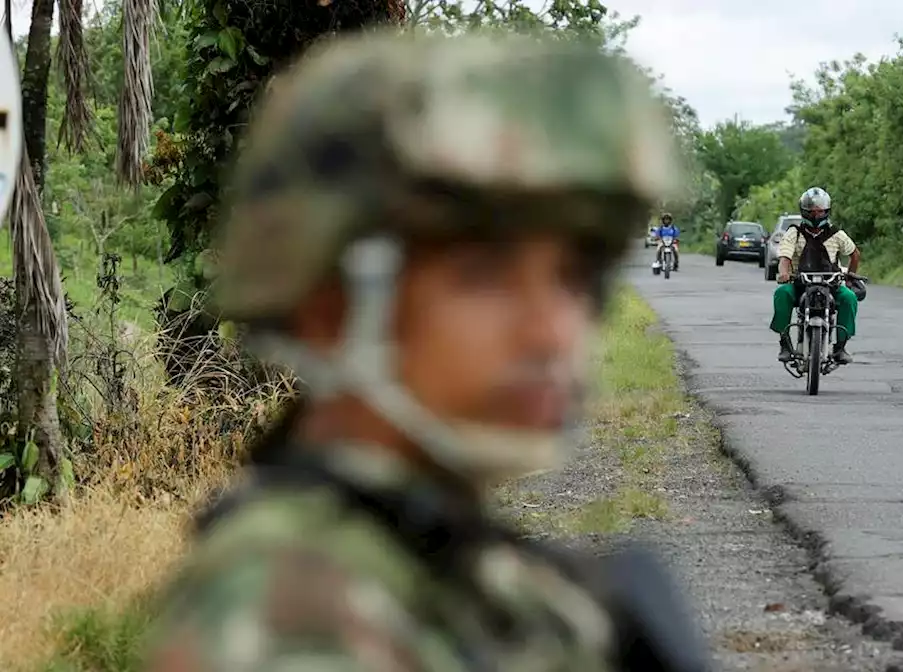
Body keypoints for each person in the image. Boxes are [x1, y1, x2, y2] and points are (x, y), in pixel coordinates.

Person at [141, 29, 709, 672]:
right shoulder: (295, 616)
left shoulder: (435, 559)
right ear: (330, 308)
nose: (554, 334)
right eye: (485, 275)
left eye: (574, 278)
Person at [770, 187, 861, 364]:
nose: (816, 215)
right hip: (800, 284)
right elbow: (785, 257)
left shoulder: (836, 234)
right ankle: (784, 342)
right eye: (812, 212)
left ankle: (841, 346)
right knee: (781, 294)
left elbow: (855, 254)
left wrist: (849, 277)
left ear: (827, 212)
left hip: (831, 285)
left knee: (849, 297)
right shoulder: (794, 233)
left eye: (820, 212)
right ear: (804, 212)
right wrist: (784, 273)